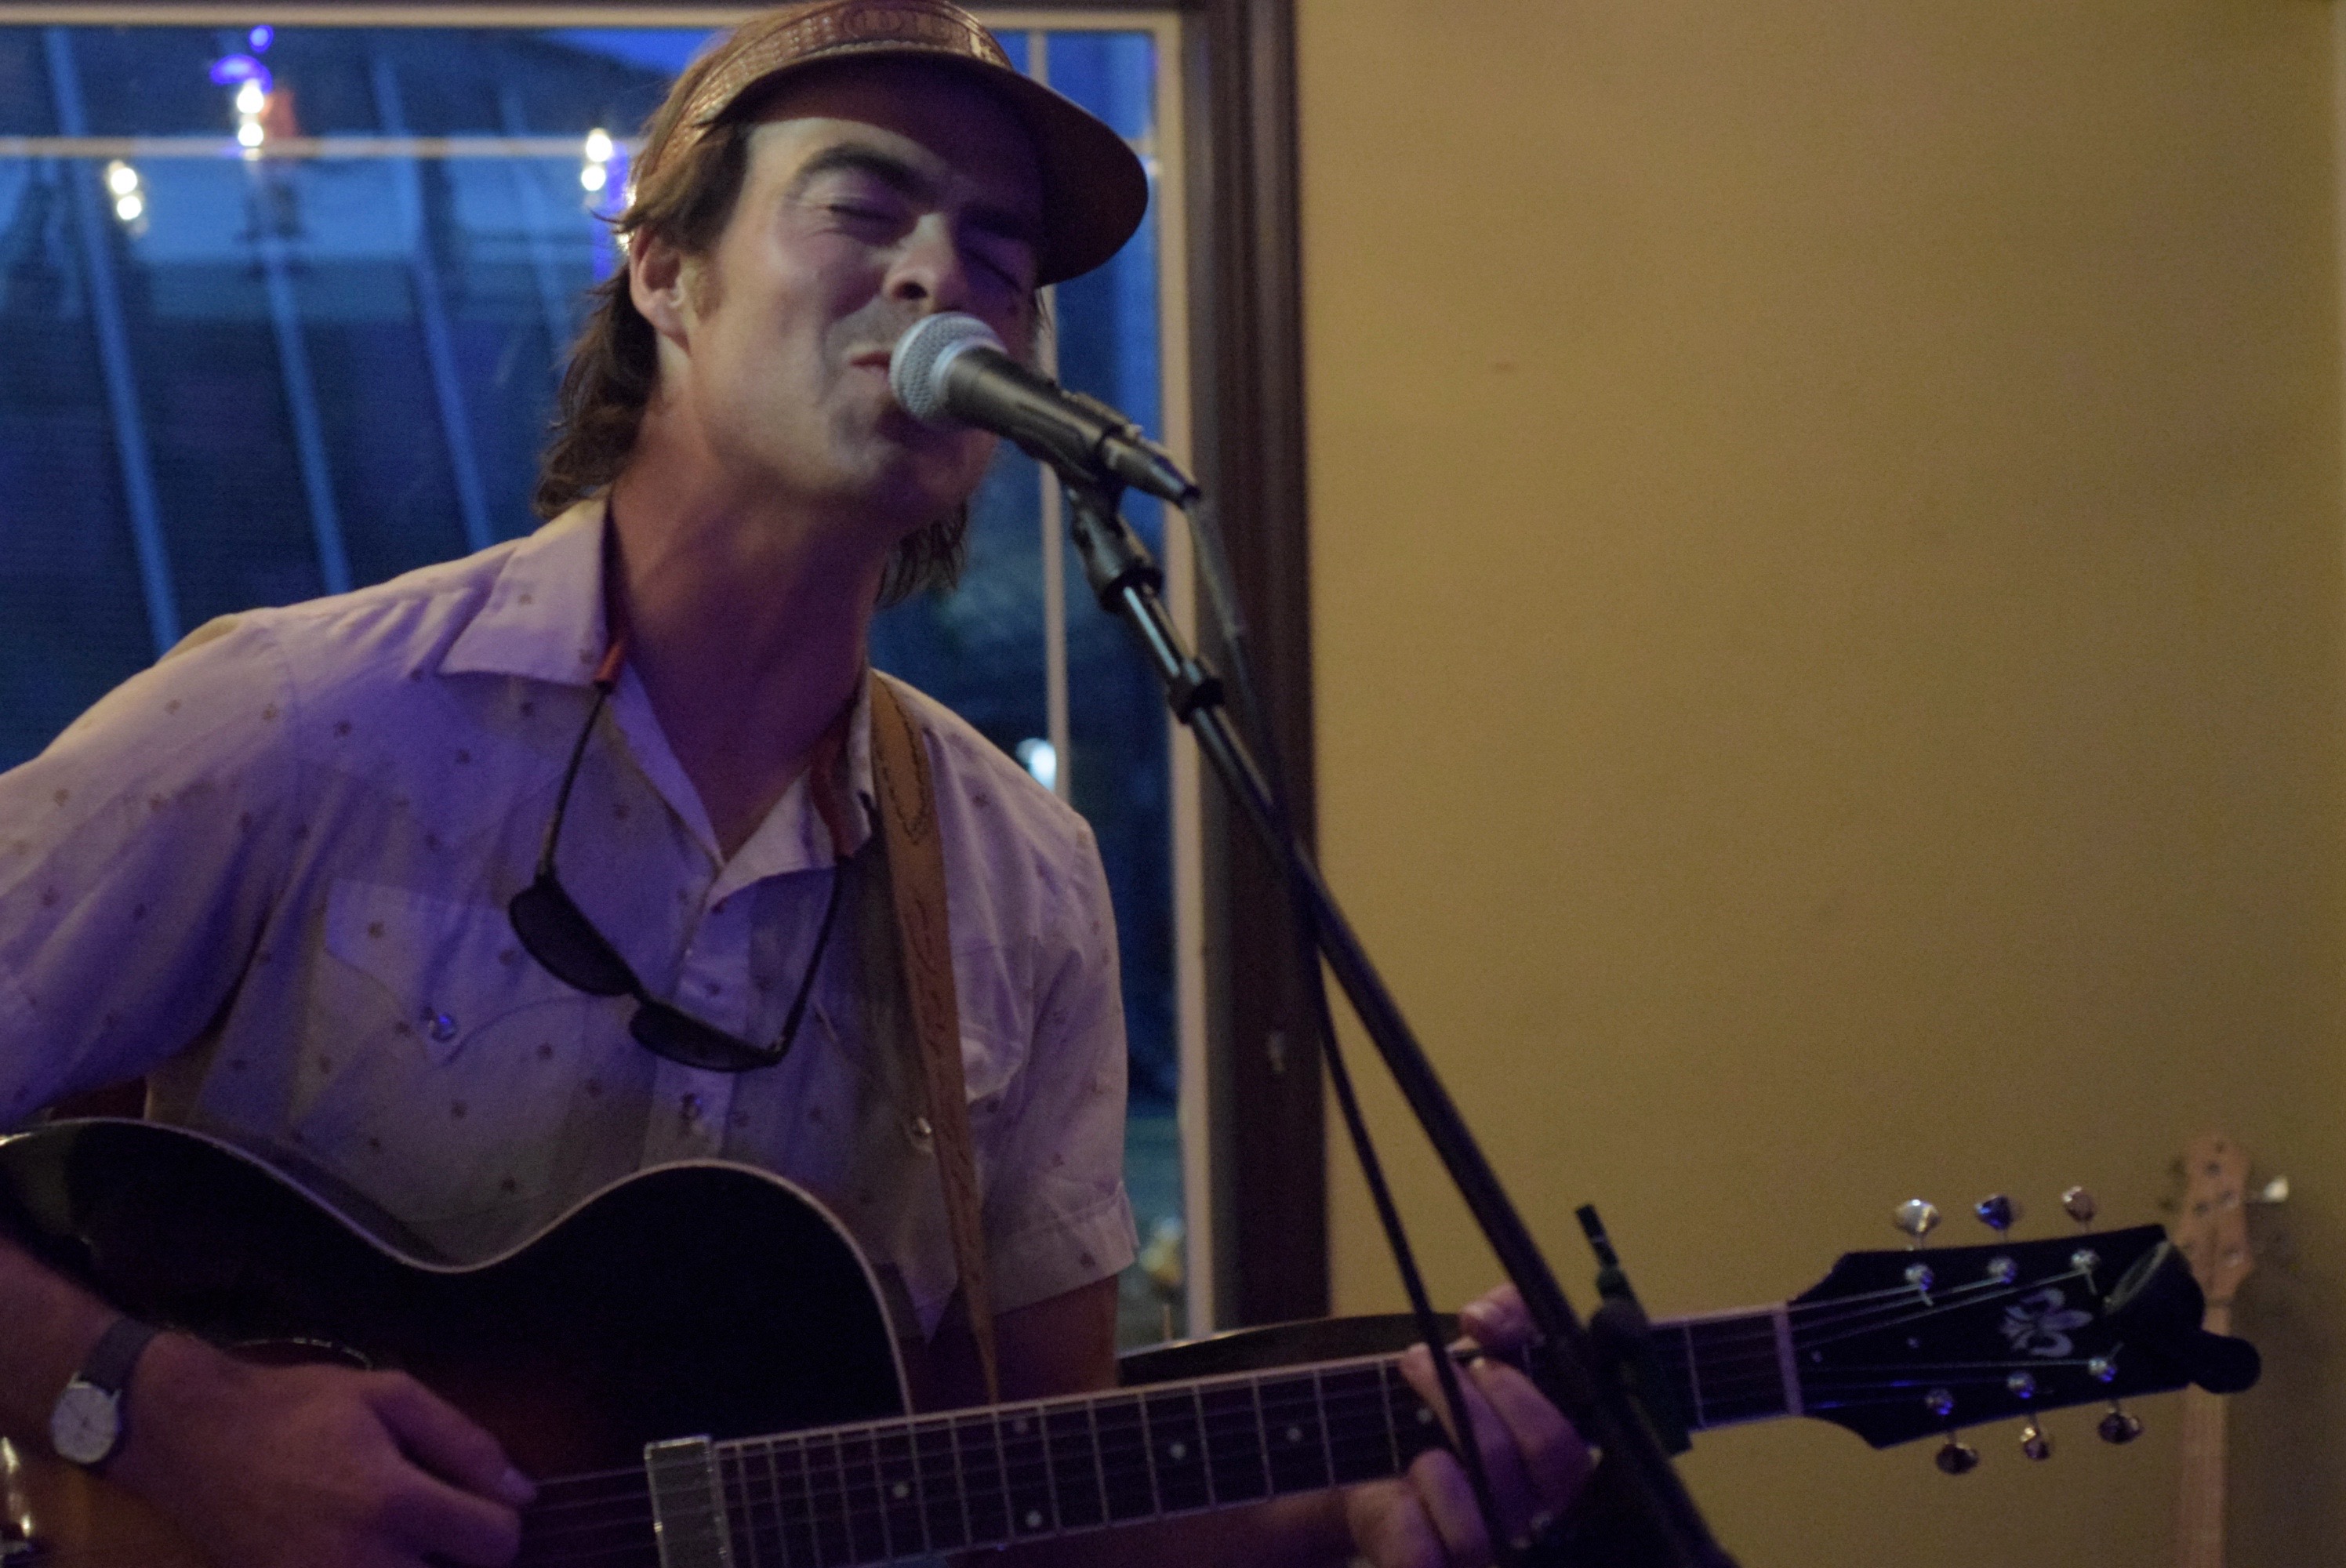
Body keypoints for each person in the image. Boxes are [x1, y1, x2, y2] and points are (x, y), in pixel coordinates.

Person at [0, 3, 1590, 1563]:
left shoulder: (1018, 879)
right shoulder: (306, 721)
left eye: (999, 256)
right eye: (864, 206)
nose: (942, 276)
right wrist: (160, 1417)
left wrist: (1349, 1509)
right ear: (665, 274)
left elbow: (1041, 1495)